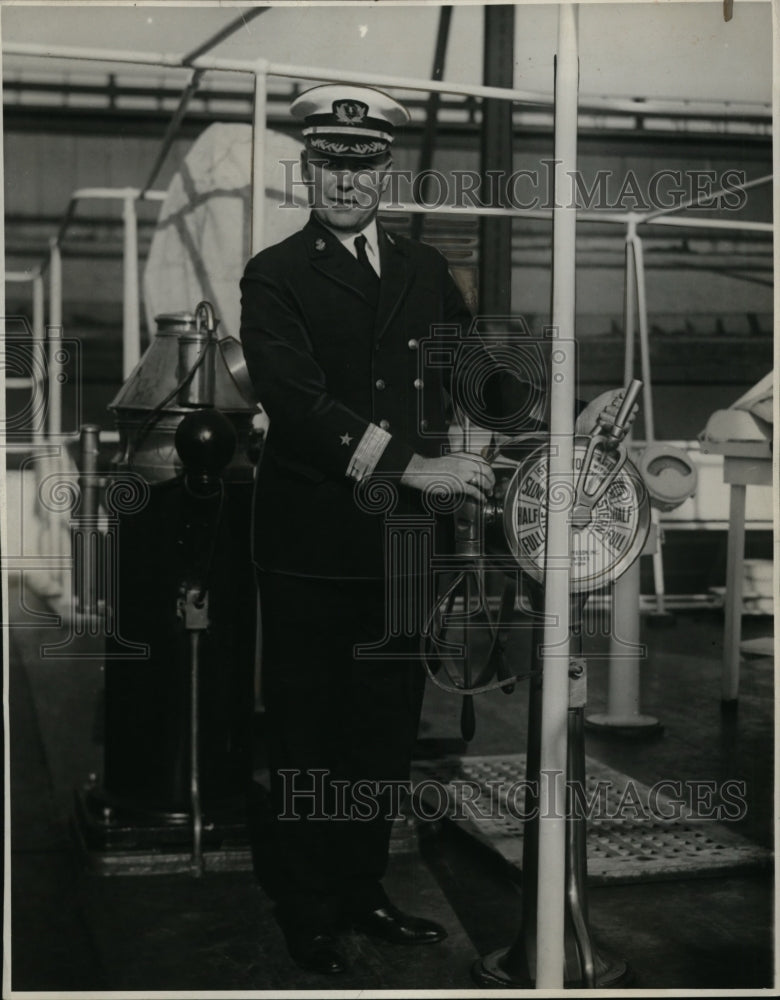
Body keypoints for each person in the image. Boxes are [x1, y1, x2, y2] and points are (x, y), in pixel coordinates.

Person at [239, 84, 615, 976]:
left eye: (362, 165)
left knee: (383, 726)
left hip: (404, 548)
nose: (345, 180)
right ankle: (309, 907)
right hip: (312, 547)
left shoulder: (421, 271)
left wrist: (529, 411)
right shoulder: (275, 274)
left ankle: (364, 885)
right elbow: (295, 404)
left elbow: (476, 371)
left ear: (386, 174)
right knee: (308, 731)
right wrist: (418, 466)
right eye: (330, 163)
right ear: (308, 169)